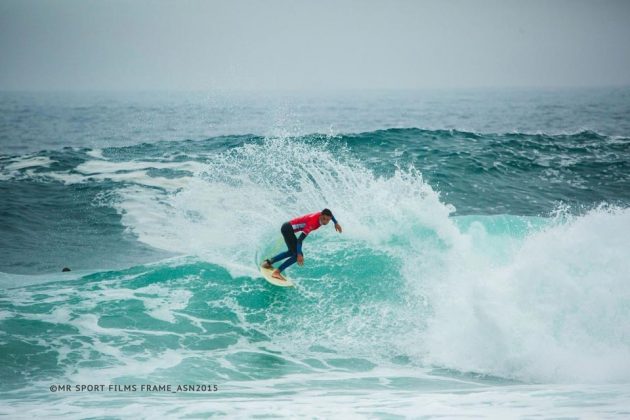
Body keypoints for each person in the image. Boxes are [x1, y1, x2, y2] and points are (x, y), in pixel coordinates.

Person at [261, 208, 342, 280]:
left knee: (291, 252)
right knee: (297, 255)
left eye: (328, 220)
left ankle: (267, 263)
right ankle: (277, 272)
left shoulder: (323, 215)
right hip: (288, 229)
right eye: (324, 219)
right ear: (321, 215)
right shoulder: (313, 223)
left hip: (286, 227)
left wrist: (335, 222)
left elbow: (330, 215)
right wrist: (299, 254)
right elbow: (300, 240)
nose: (325, 222)